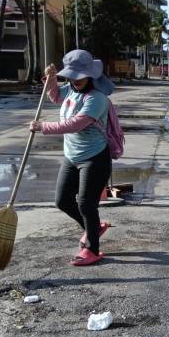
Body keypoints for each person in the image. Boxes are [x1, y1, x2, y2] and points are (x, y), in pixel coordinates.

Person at [30, 49, 116, 266]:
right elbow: (55, 97)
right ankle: (93, 228)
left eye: (79, 77)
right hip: (72, 156)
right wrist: (51, 79)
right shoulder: (70, 89)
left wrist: (43, 126)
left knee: (86, 204)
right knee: (62, 200)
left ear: (90, 75)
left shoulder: (97, 98)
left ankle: (92, 249)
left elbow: (75, 124)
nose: (75, 81)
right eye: (71, 76)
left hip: (95, 158)